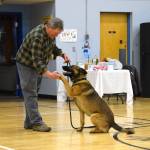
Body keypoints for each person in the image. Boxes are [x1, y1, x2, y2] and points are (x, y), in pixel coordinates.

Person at [16, 17, 69, 132]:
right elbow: (37, 59)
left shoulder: (49, 35)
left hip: (36, 65)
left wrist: (61, 53)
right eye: (55, 34)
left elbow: (52, 47)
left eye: (57, 35)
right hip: (26, 64)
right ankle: (37, 123)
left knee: (33, 93)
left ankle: (29, 122)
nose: (55, 37)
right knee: (31, 93)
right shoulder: (37, 36)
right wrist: (48, 74)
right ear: (49, 27)